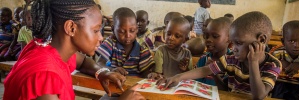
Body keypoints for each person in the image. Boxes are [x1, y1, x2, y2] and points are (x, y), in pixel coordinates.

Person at [3, 0, 144, 99]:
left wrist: (102, 72)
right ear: (71, 28)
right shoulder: (44, 76)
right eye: (96, 30)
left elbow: (82, 62)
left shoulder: (46, 47)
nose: (101, 37)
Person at [157, 11, 282, 100]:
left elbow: (259, 95)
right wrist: (178, 77)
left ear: (261, 40)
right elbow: (205, 70)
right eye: (233, 43)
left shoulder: (273, 64)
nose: (234, 49)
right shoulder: (232, 59)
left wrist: (253, 62)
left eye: (238, 43)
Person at [155, 17, 231, 88]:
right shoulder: (203, 59)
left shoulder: (232, 61)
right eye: (206, 36)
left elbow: (227, 90)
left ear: (229, 38)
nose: (208, 40)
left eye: (215, 36)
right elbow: (194, 81)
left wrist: (214, 73)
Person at [95, 7, 155, 77]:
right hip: (113, 84)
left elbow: (145, 73)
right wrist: (111, 69)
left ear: (137, 29)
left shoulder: (142, 50)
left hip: (133, 86)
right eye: (122, 31)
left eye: (132, 31)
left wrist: (151, 75)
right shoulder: (110, 43)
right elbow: (99, 64)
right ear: (113, 29)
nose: (128, 35)